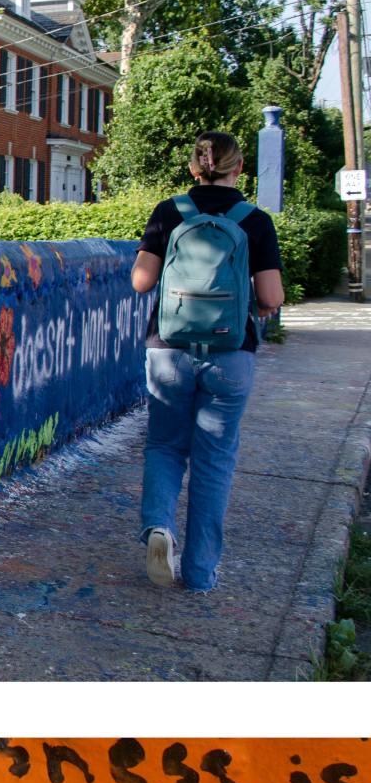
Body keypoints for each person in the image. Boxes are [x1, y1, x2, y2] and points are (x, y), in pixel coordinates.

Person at [130, 131, 284, 591]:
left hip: (169, 349)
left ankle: (160, 527)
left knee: (164, 445)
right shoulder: (254, 220)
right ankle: (199, 573)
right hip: (230, 354)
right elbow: (271, 296)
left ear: (194, 168)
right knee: (214, 460)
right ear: (239, 168)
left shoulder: (169, 211)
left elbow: (141, 281)